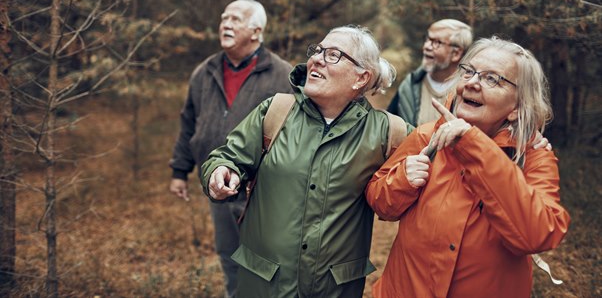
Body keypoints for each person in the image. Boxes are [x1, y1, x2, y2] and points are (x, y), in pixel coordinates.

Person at [200, 26, 409, 298]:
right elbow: (227, 156)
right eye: (318, 50)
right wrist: (220, 171)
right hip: (265, 285)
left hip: (335, 289)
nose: (318, 59)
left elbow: (439, 169)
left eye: (333, 55)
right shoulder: (275, 111)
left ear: (361, 78)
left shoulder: (388, 132)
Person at [366, 36, 571, 298]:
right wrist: (403, 180)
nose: (473, 82)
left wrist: (473, 147)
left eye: (492, 79)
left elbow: (539, 234)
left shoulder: (533, 157)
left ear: (516, 108)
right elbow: (379, 202)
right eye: (469, 72)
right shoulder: (427, 137)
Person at [168, 0, 293, 298]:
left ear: (256, 31)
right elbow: (189, 123)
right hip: (218, 185)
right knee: (229, 256)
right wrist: (179, 170)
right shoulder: (204, 72)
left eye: (235, 19)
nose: (225, 23)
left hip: (263, 190)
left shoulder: (282, 75)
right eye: (224, 18)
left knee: (267, 262)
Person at [387, 19, 473, 126]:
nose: (426, 46)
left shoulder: (469, 90)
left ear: (456, 53)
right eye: (427, 39)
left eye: (436, 42)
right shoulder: (411, 84)